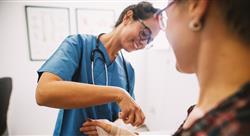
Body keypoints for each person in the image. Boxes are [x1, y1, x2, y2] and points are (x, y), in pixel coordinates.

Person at [81, 0, 250, 135]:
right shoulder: (206, 114)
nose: (166, 30)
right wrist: (118, 132)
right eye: (145, 33)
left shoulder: (226, 124)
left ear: (196, 6)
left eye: (166, 15)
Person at [35, 1, 161, 136]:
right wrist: (118, 94)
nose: (143, 43)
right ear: (128, 17)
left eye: (149, 41)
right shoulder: (78, 45)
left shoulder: (128, 69)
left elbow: (125, 118)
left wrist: (112, 128)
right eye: (145, 34)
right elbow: (43, 93)